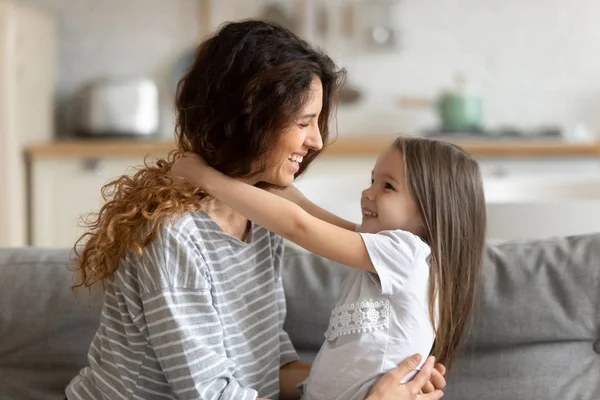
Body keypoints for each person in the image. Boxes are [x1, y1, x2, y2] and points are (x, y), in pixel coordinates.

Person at [65, 19, 446, 400]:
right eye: (304, 122)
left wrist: (379, 386)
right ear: (251, 119)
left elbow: (267, 363)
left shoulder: (261, 218)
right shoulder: (176, 235)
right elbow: (214, 395)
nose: (316, 140)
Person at [169, 135, 486, 400]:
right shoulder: (386, 253)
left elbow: (300, 227)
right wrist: (272, 184)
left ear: (430, 212)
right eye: (372, 180)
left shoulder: (406, 253)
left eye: (387, 186)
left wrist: (205, 177)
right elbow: (309, 213)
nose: (368, 192)